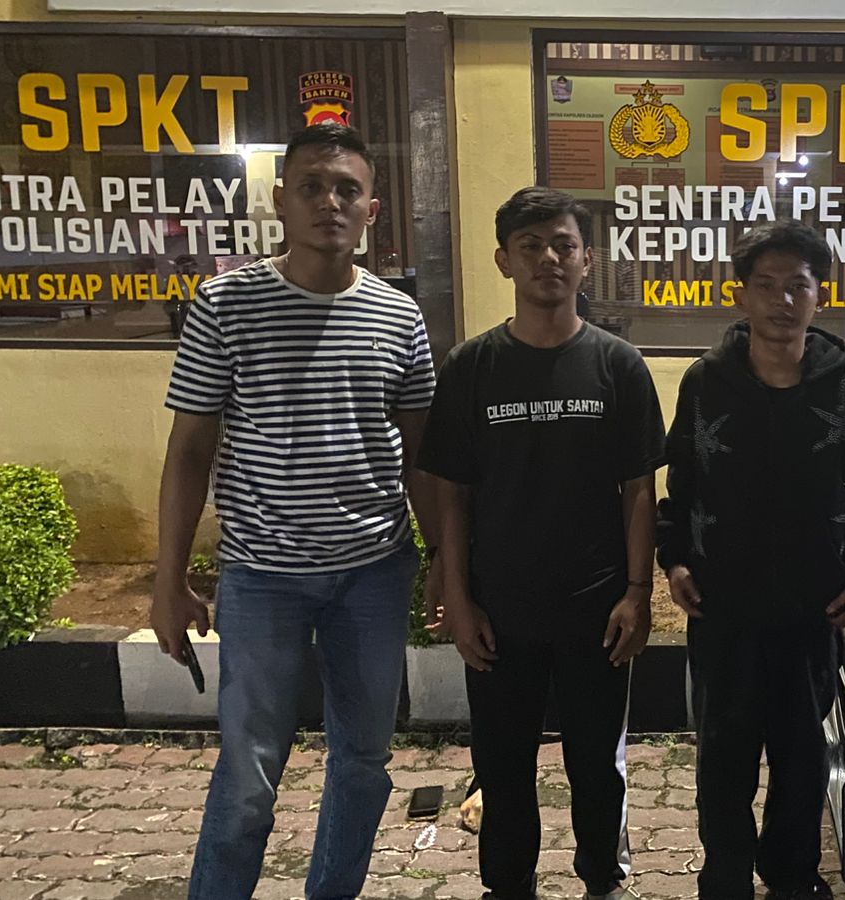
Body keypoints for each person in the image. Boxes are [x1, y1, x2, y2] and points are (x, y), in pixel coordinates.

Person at [151, 123, 437, 900]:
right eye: (312, 186)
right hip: (262, 577)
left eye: (347, 189)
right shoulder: (226, 304)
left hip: (374, 574)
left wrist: (445, 561)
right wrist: (169, 579)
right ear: (280, 200)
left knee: (364, 762)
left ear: (372, 208)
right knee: (249, 773)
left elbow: (421, 455)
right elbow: (189, 449)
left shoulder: (399, 317)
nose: (329, 202)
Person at [418, 186, 666, 900]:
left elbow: (639, 489)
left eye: (564, 245)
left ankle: (602, 881)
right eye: (531, 246)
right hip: (500, 610)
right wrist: (458, 596)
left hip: (597, 609)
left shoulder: (618, 365)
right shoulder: (471, 367)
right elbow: (453, 494)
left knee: (597, 766)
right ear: (504, 260)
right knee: (502, 767)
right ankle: (508, 885)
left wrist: (637, 593)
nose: (549, 258)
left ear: (587, 259)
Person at [657, 220, 845, 900]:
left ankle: (792, 875)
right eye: (766, 285)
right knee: (723, 758)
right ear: (741, 294)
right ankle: (725, 877)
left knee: (802, 757)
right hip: (722, 606)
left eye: (798, 286)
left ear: (820, 295)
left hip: (811, 607)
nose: (782, 301)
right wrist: (674, 562)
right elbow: (681, 485)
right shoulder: (706, 383)